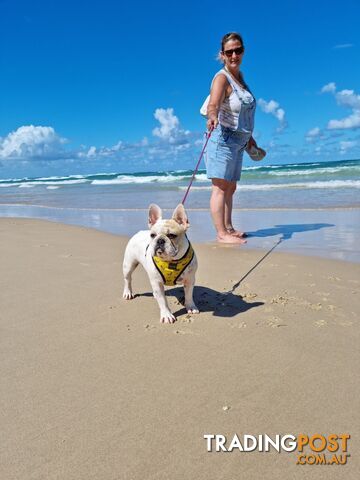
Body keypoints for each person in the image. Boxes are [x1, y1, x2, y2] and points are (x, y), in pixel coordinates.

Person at [204, 32, 265, 244]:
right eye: (229, 52)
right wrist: (212, 117)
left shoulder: (241, 80)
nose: (234, 55)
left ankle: (228, 228)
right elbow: (213, 105)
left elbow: (244, 114)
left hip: (240, 141)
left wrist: (250, 140)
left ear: (243, 51)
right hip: (223, 138)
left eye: (237, 50)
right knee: (220, 186)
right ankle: (221, 234)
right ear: (222, 55)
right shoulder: (222, 78)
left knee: (231, 187)